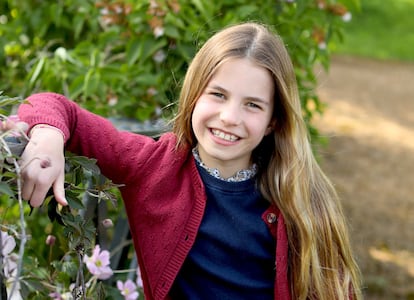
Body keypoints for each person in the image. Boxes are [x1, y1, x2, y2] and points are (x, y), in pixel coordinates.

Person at [17, 22, 362, 299]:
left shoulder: (300, 195)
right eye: (218, 95)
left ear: (274, 120)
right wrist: (48, 137)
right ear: (194, 95)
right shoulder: (152, 165)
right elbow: (53, 105)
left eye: (252, 105)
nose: (229, 117)